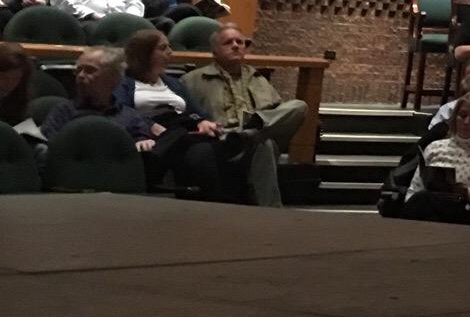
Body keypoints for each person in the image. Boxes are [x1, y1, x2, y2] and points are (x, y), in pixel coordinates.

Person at [178, 24, 307, 208]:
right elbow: (185, 115)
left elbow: (279, 113)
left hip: (255, 137)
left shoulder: (259, 79)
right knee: (264, 144)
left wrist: (256, 128)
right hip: (223, 142)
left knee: (299, 106)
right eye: (228, 42)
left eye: (240, 42)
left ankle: (250, 130)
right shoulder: (193, 80)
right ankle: (271, 213)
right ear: (214, 51)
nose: (236, 45)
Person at [117, 28, 227, 198]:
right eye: (162, 48)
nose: (170, 52)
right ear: (144, 53)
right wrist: (149, 126)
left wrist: (203, 122)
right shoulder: (124, 83)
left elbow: (197, 112)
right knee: (199, 148)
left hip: (180, 130)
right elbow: (120, 111)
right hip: (153, 132)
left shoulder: (174, 84)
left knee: (200, 149)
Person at [404, 93, 470, 224]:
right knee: (423, 199)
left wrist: (467, 193)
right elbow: (415, 190)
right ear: (454, 117)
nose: (466, 122)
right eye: (462, 115)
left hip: (468, 215)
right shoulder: (435, 147)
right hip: (428, 209)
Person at [41, 45, 153, 150]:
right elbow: (50, 149)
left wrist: (144, 144)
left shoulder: (130, 117)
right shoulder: (62, 112)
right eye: (78, 70)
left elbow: (141, 142)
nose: (80, 76)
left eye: (89, 70)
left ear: (113, 78)